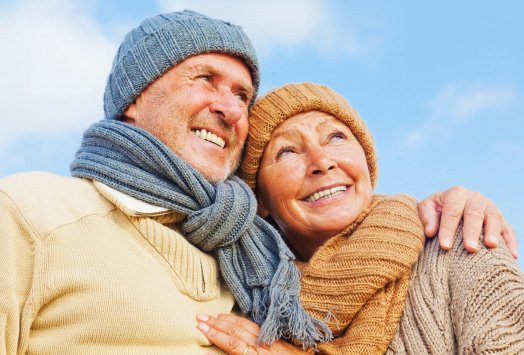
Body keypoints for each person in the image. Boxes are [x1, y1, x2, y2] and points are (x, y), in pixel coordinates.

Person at [0, 10, 516, 354]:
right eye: (203, 78)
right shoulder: (32, 215)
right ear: (133, 99)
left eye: (243, 94)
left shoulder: (245, 270)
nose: (227, 106)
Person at [196, 83, 524, 354]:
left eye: (336, 137)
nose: (321, 161)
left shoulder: (461, 242)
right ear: (260, 199)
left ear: (366, 162)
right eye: (288, 151)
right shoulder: (244, 302)